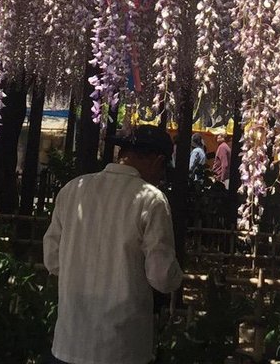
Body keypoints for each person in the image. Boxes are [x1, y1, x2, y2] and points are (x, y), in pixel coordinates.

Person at [43, 123, 183, 364]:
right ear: (157, 161)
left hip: (70, 340)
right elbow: (161, 277)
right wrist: (178, 277)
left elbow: (52, 259)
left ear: (121, 155)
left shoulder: (73, 189)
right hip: (122, 347)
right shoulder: (151, 200)